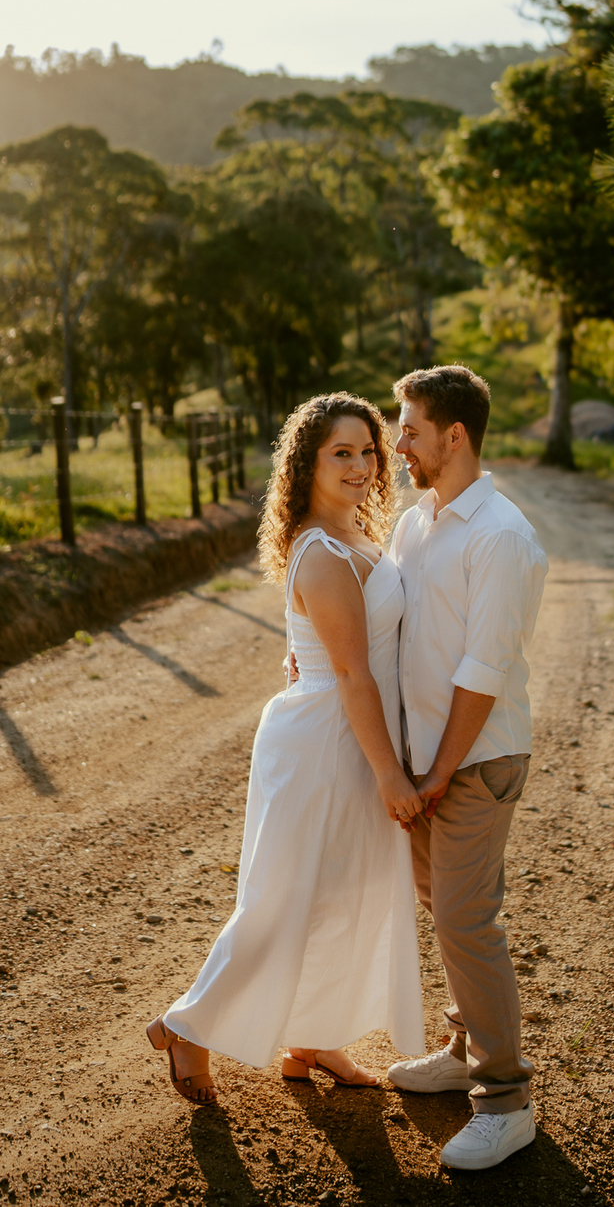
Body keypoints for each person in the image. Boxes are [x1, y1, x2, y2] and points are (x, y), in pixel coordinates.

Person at [145, 393, 425, 1104]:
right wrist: (391, 773)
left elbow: (340, 647)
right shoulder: (325, 551)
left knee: (345, 890)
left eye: (368, 451)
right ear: (307, 465)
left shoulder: (357, 532)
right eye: (343, 453)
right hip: (328, 744)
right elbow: (355, 673)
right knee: (287, 896)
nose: (362, 465)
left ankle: (313, 1034)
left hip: (344, 733)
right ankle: (189, 1025)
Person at [385, 365, 547, 1171]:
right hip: (425, 760)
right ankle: (461, 1048)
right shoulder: (420, 521)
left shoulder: (501, 535)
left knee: (466, 921)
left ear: (455, 436)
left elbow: (483, 670)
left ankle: (505, 1099)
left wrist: (440, 772)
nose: (397, 442)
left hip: (475, 761)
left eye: (409, 428)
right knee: (440, 907)